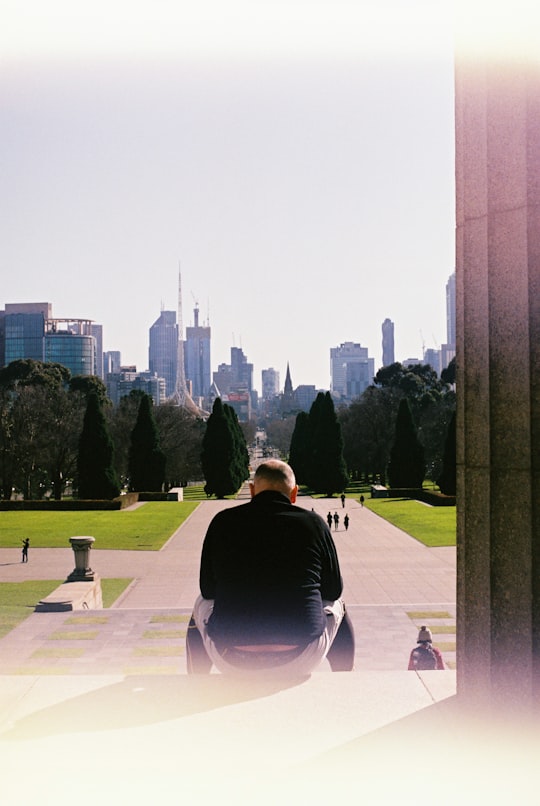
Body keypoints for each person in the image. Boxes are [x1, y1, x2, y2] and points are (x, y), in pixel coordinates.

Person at [187, 459, 355, 675]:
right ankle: (345, 678)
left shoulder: (222, 521)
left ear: (252, 490)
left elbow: (208, 590)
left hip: (230, 655)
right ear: (294, 494)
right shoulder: (315, 524)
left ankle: (196, 680)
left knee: (200, 604)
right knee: (337, 604)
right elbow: (333, 591)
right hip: (302, 654)